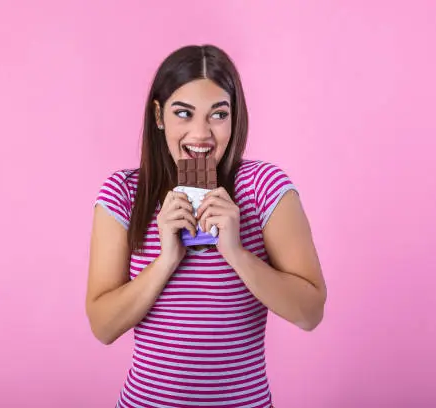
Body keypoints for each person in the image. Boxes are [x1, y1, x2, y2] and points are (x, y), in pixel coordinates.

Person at [86, 44, 327, 408]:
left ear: (235, 118)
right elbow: (103, 328)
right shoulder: (123, 193)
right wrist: (167, 260)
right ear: (159, 115)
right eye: (184, 113)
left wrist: (235, 252)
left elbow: (310, 313)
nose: (201, 134)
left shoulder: (264, 187)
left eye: (218, 114)